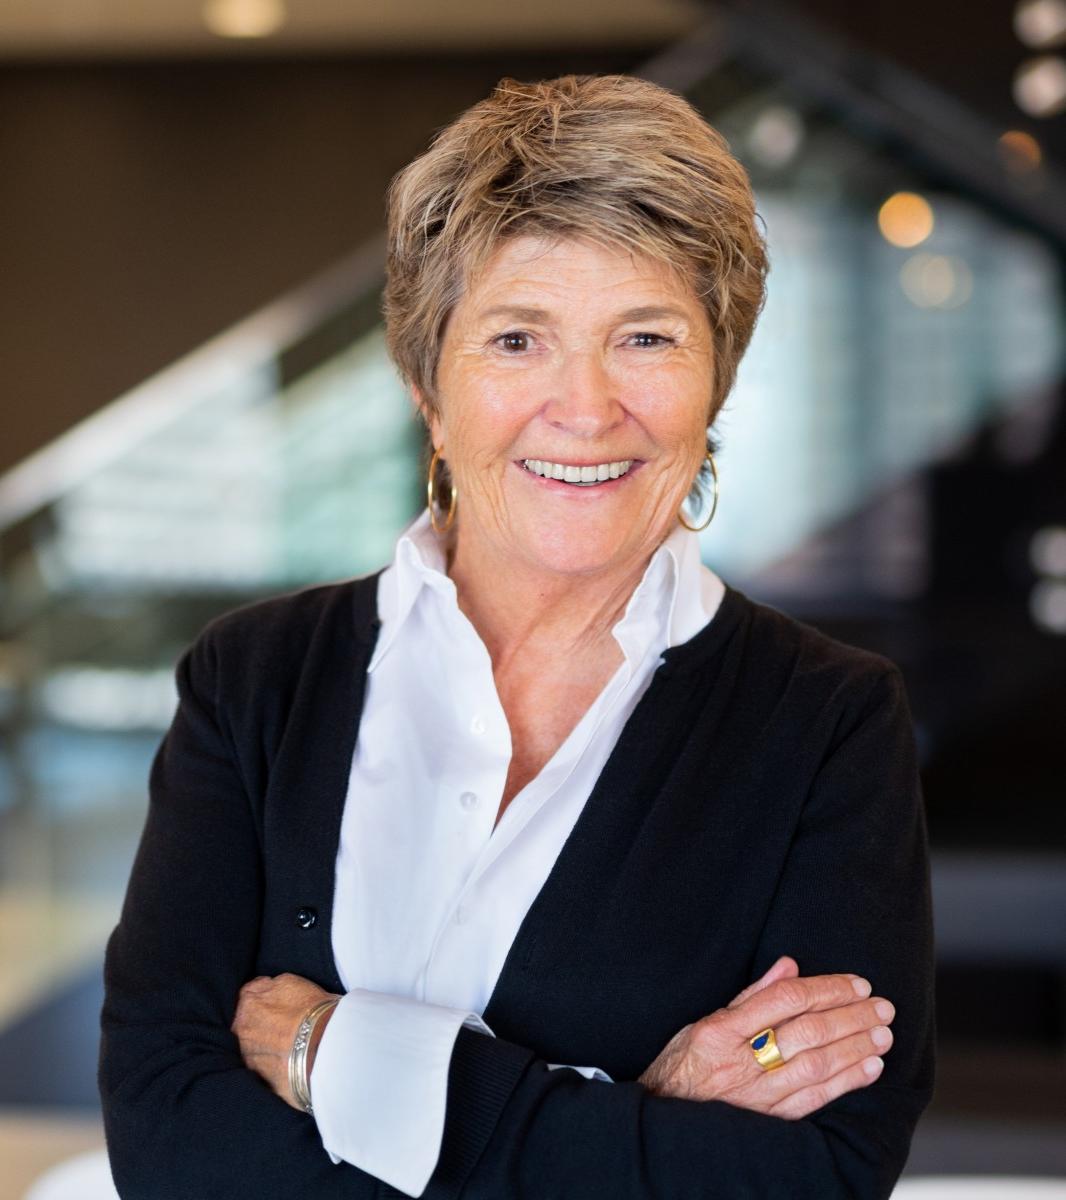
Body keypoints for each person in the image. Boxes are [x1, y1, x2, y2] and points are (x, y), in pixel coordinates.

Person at [99, 73, 934, 1199]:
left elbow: (815, 1177)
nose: (586, 408)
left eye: (645, 336)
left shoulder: (828, 723)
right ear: (424, 386)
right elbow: (165, 1143)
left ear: (716, 380)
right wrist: (646, 1111)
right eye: (516, 340)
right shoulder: (256, 681)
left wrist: (339, 1055)